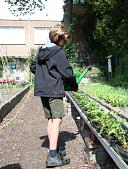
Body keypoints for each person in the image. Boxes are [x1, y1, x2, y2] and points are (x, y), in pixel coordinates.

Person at [30, 24, 78, 168]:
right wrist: (74, 85)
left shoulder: (41, 51)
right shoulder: (58, 52)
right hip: (54, 90)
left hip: (43, 90)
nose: (66, 43)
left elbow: (33, 67)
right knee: (57, 120)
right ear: (60, 39)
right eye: (65, 40)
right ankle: (52, 156)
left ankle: (54, 150)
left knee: (51, 119)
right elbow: (67, 72)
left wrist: (44, 77)